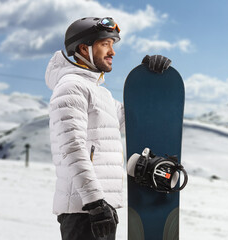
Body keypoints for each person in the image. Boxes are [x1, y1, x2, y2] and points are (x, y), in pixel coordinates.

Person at [45, 17, 171, 240]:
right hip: (85, 210)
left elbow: (130, 121)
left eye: (113, 45)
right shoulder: (71, 87)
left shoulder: (98, 92)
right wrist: (94, 202)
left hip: (98, 208)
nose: (112, 52)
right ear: (84, 48)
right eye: (105, 44)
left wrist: (152, 79)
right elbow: (72, 150)